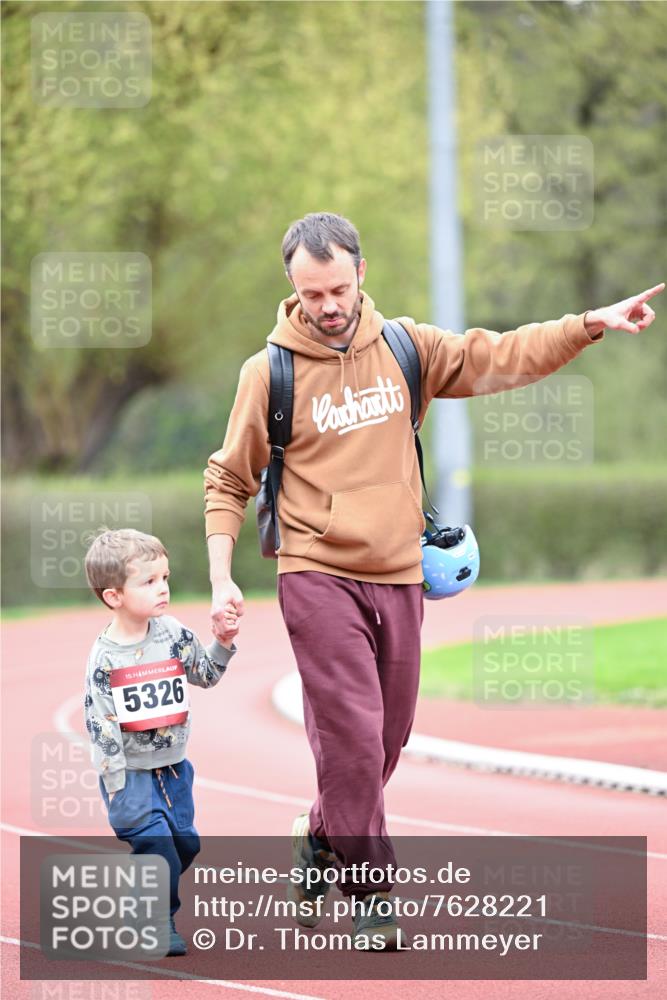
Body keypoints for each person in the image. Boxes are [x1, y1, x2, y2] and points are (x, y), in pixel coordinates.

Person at [203, 211, 663, 950]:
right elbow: (228, 477)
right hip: (315, 573)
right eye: (311, 293)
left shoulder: (404, 347)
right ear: (291, 288)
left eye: (338, 289)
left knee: (387, 737)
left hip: (398, 572)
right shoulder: (269, 372)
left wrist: (587, 323)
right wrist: (222, 577)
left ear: (362, 276)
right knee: (351, 741)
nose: (326, 306)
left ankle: (320, 834)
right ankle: (371, 896)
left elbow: (500, 354)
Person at [83, 527, 238, 957]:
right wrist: (114, 781)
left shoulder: (172, 633)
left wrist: (222, 641)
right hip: (129, 773)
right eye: (149, 582)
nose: (163, 589)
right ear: (114, 596)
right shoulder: (105, 657)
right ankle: (157, 919)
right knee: (156, 843)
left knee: (186, 843)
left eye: (165, 578)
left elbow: (205, 675)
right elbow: (100, 723)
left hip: (173, 768)